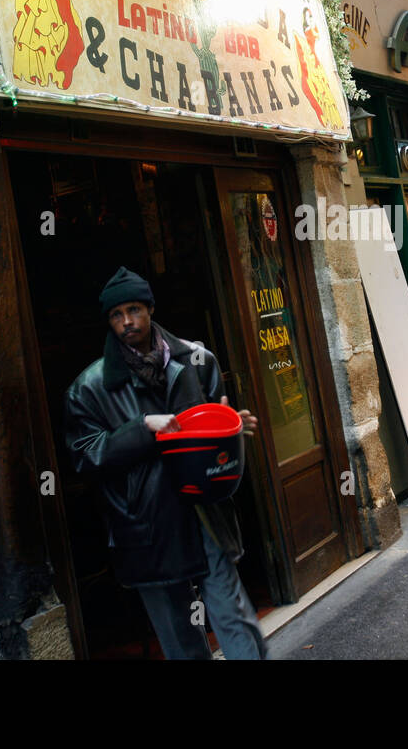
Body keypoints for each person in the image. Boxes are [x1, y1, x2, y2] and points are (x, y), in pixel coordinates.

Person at [64, 267, 268, 660]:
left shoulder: (198, 360)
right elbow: (86, 454)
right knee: (178, 633)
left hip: (203, 511)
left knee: (233, 615)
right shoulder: (87, 389)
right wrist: (143, 428)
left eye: (134, 310)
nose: (127, 322)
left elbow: (210, 424)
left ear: (151, 308)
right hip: (145, 521)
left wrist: (230, 427)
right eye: (116, 315)